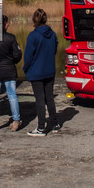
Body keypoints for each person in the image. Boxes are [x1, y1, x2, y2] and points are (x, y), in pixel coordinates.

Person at [23, 8, 59, 136]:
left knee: (39, 99)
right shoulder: (53, 34)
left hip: (36, 71)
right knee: (49, 98)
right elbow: (54, 49)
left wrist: (25, 68)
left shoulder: (33, 35)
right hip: (49, 70)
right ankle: (54, 123)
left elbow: (28, 56)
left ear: (34, 19)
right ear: (45, 19)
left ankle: (41, 127)